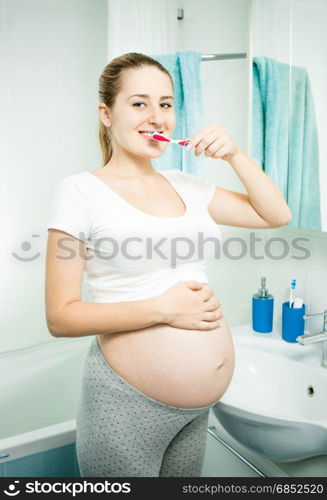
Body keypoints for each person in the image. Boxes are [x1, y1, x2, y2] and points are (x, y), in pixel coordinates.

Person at [45, 52, 291, 477]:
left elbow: (275, 215)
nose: (156, 116)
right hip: (127, 404)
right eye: (139, 103)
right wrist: (165, 309)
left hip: (196, 409)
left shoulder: (188, 185)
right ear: (107, 113)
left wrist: (235, 155)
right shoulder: (80, 192)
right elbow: (60, 317)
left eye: (166, 103)